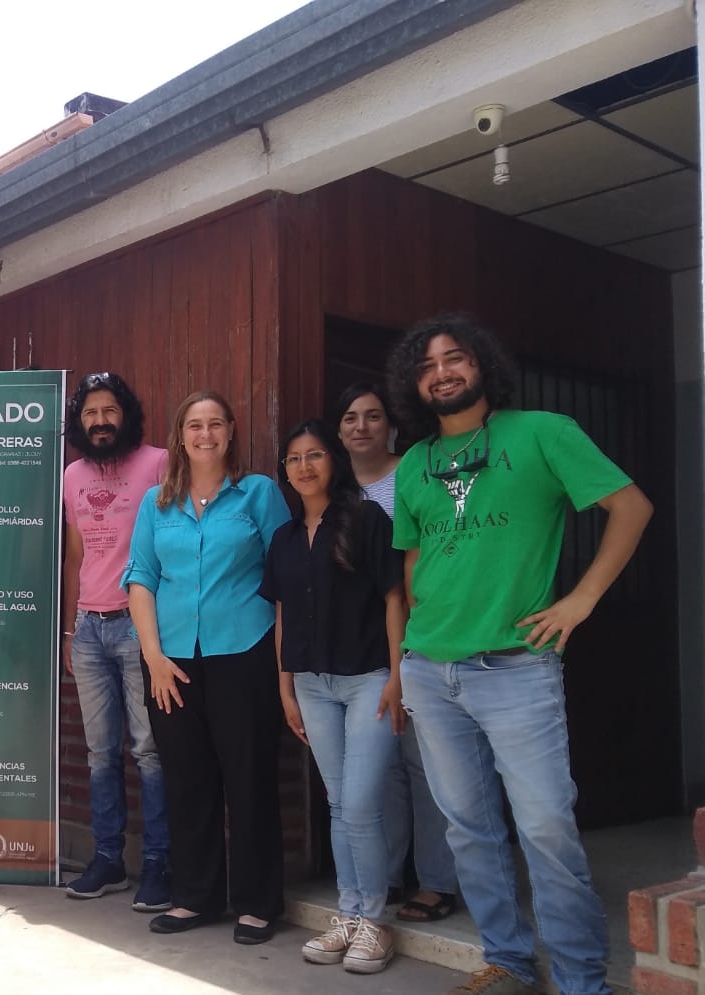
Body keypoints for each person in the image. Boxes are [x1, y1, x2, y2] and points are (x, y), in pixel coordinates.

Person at [386, 314, 652, 995]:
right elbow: (414, 560)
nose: (442, 370)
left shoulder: (544, 432)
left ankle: (581, 979)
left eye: (455, 357)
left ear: (483, 366)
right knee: (468, 829)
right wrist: (417, 640)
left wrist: (582, 599)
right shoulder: (414, 464)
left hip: (515, 665)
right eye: (427, 365)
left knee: (544, 825)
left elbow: (631, 507)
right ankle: (505, 959)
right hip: (431, 668)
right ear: (415, 383)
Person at [122, 389, 290, 944]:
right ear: (181, 434)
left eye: (216, 423)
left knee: (249, 778)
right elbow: (141, 578)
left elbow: (285, 574)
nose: (206, 434)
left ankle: (257, 903)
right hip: (171, 661)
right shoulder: (157, 502)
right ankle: (195, 897)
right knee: (188, 780)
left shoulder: (258, 493)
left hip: (243, 653)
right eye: (195, 424)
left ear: (231, 430)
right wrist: (153, 658)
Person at [261, 419, 404, 973]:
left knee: (362, 803)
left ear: (333, 462)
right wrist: (285, 685)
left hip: (369, 677)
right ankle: (348, 915)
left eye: (314, 455)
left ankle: (374, 920)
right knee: (339, 801)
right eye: (294, 459)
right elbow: (281, 614)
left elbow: (395, 598)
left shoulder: (367, 519)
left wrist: (398, 675)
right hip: (311, 685)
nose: (304, 467)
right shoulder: (285, 538)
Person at [335, 383, 459, 923]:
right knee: (378, 771)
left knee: (425, 763)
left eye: (372, 416)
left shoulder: (414, 471)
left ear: (391, 425)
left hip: (422, 633)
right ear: (338, 432)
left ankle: (436, 881)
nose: (361, 426)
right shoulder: (334, 490)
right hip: (360, 648)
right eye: (349, 418)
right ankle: (382, 877)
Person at [61, 373, 172, 911]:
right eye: (89, 413)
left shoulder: (157, 463)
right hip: (88, 628)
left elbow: (170, 547)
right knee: (101, 754)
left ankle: (159, 864)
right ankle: (107, 860)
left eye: (109, 410)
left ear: (125, 414)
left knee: (150, 751)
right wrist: (69, 627)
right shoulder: (72, 475)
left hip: (139, 625)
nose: (100, 421)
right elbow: (77, 555)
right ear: (79, 422)